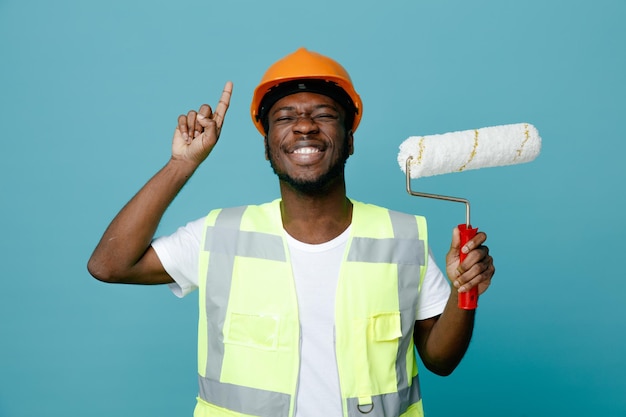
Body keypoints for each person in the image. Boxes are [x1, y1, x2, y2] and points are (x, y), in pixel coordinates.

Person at [88, 47, 495, 417]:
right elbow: (109, 265)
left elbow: (440, 360)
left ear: (349, 139)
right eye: (285, 117)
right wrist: (182, 164)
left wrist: (466, 292)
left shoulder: (403, 238)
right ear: (268, 145)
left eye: (323, 114)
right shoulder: (218, 236)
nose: (304, 127)